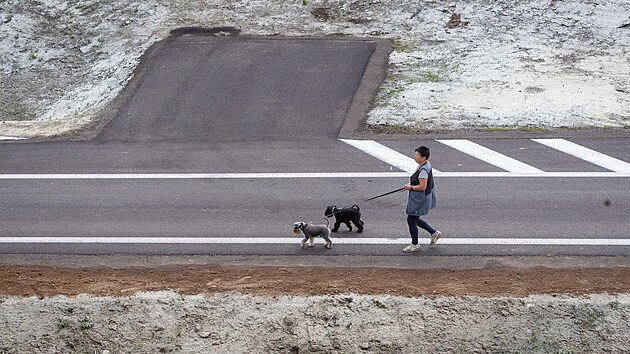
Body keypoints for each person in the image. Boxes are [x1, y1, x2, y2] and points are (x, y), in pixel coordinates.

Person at [402, 145, 442, 253]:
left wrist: (410, 187)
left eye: (417, 156)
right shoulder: (425, 165)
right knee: (414, 218)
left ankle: (415, 244)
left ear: (423, 157)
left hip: (419, 199)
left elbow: (422, 186)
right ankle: (433, 233)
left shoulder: (423, 169)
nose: (415, 157)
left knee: (411, 219)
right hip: (420, 198)